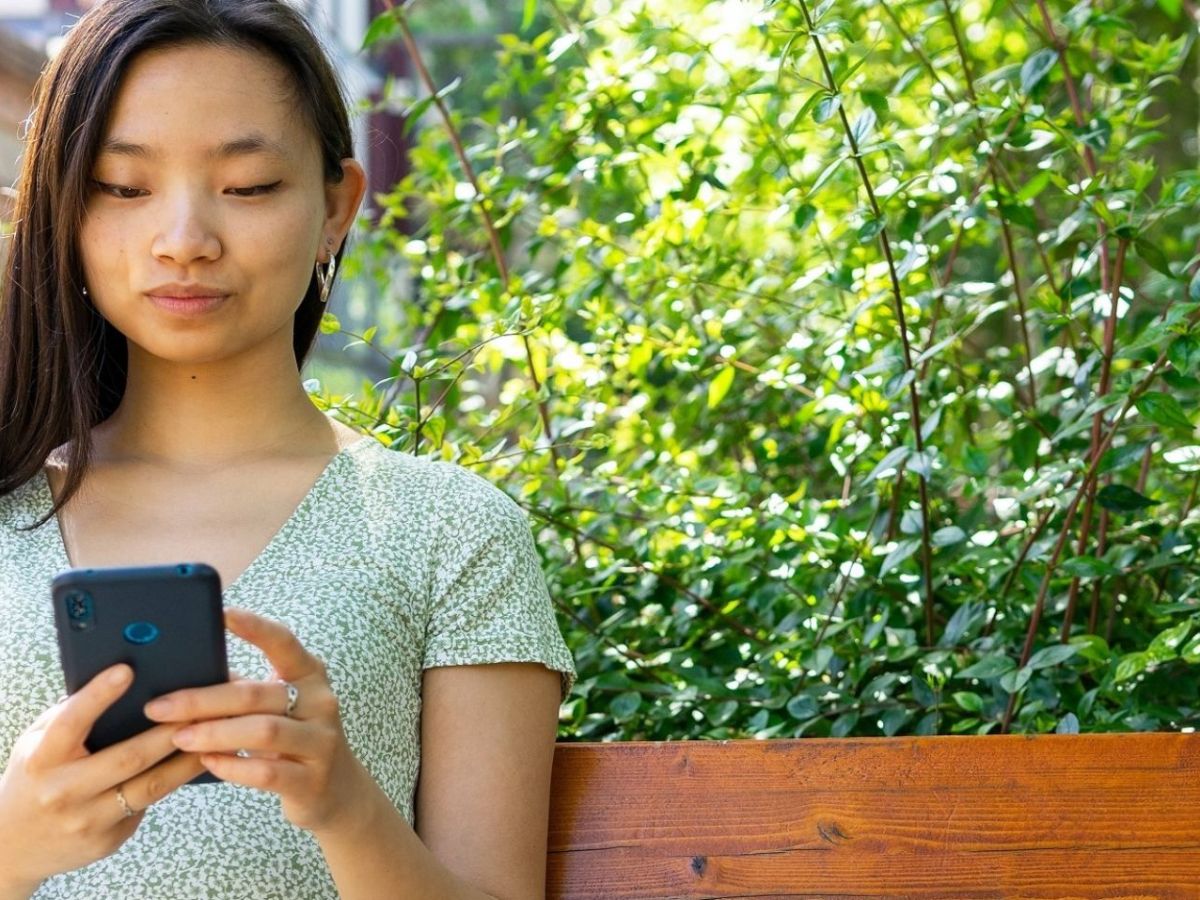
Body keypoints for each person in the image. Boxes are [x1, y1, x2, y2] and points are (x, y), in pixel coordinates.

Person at [0, 1, 576, 897]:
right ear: (65, 211)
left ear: (337, 207)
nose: (184, 240)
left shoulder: (448, 532)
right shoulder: (4, 507)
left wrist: (345, 808)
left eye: (249, 186)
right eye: (123, 187)